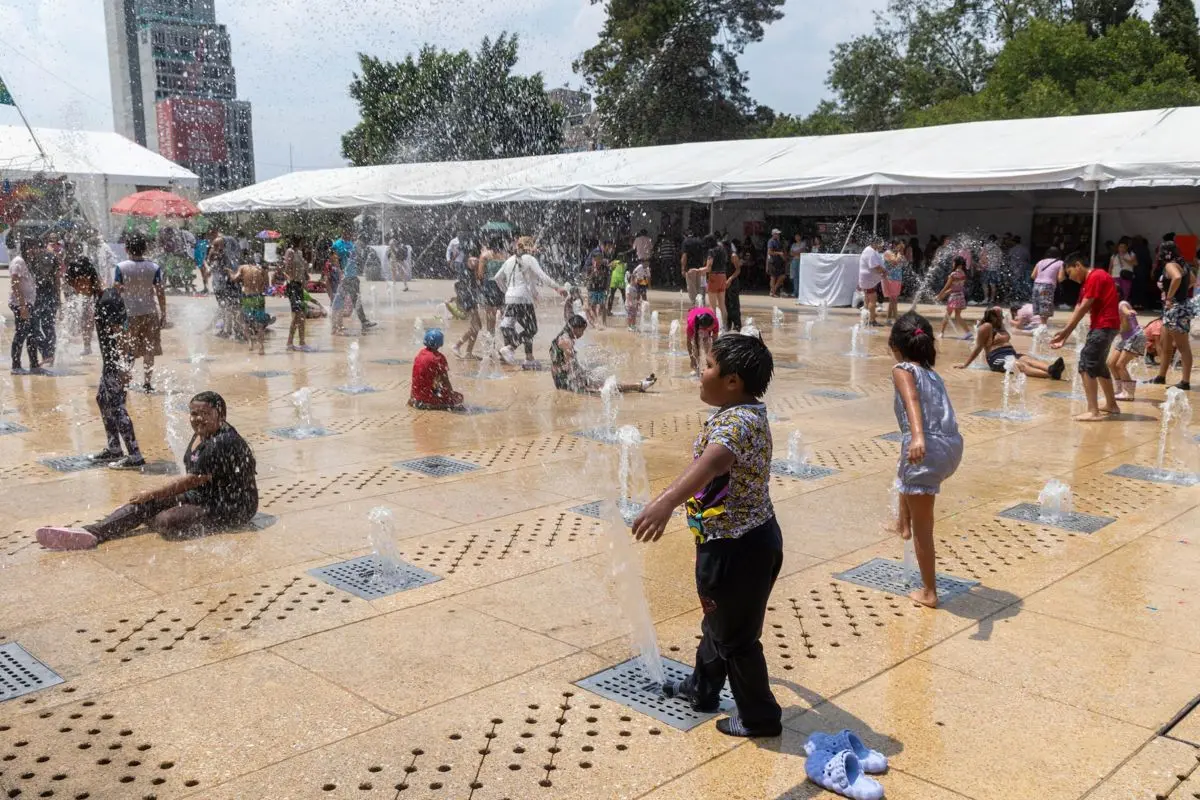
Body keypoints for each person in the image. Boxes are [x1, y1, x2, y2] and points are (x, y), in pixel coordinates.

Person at [631, 333, 783, 738]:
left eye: (710, 366)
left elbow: (713, 463)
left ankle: (759, 717)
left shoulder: (737, 422)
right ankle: (702, 689)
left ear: (733, 381)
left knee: (736, 638)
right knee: (720, 621)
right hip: (748, 540)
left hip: (736, 550)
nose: (702, 372)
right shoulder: (746, 411)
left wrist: (665, 502)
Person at [35, 392, 258, 550]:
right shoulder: (203, 432)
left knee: (166, 521)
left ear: (221, 414)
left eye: (204, 414)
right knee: (146, 505)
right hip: (206, 495)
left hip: (232, 506)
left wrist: (153, 495)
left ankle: (135, 516)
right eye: (193, 413)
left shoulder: (223, 442)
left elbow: (191, 480)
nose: (197, 419)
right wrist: (152, 499)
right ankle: (91, 532)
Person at [888, 312, 963, 608]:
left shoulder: (902, 370)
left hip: (927, 444)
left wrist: (918, 436)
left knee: (924, 525)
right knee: (905, 470)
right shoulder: (933, 373)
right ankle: (901, 523)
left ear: (895, 345)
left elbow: (912, 402)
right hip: (952, 445)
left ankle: (929, 592)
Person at [68, 261, 146, 470]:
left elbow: (122, 334)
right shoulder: (103, 296)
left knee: (117, 406)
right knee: (103, 399)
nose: (75, 290)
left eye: (75, 285)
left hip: (117, 361)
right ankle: (114, 449)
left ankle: (135, 455)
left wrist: (123, 367)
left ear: (84, 279)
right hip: (112, 361)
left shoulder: (107, 299)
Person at [1051, 253, 1122, 421]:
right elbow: (1078, 306)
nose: (1071, 278)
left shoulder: (1096, 276)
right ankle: (1112, 405)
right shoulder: (1086, 283)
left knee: (1086, 363)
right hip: (1104, 326)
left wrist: (1066, 332)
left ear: (1078, 265)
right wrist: (1065, 333)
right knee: (1098, 366)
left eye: (1070, 273)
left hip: (1104, 325)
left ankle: (1093, 411)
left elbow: (1085, 307)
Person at [495, 236, 565, 365]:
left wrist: (508, 291)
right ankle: (510, 348)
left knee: (524, 328)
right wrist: (557, 288)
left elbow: (497, 278)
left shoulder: (510, 259)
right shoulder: (530, 259)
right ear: (530, 247)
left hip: (511, 299)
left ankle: (529, 358)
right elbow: (542, 276)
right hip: (523, 300)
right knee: (532, 329)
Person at [550, 315, 656, 394]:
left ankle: (639, 384)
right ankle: (639, 386)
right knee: (604, 388)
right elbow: (570, 365)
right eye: (581, 331)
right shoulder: (567, 342)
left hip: (563, 378)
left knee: (602, 382)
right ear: (575, 328)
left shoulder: (563, 337)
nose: (582, 334)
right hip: (565, 382)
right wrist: (581, 382)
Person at [115, 234, 167, 392]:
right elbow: (160, 291)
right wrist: (164, 312)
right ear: (145, 249)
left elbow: (116, 289)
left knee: (126, 348)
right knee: (149, 348)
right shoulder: (154, 267)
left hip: (128, 313)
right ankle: (147, 382)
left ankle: (125, 381)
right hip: (149, 311)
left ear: (126, 249)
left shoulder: (121, 267)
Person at [958, 307, 1064, 379]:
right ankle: (1050, 375)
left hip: (1010, 353)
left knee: (1029, 360)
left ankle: (1051, 368)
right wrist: (966, 364)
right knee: (1019, 365)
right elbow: (979, 347)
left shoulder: (1000, 326)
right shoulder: (986, 327)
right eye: (1001, 315)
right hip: (996, 357)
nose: (1003, 317)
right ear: (993, 317)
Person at [1149, 242, 1195, 391]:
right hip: (1176, 309)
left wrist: (1170, 297)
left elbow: (1176, 278)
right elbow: (1192, 281)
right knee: (1165, 345)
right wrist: (1179, 293)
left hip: (1175, 309)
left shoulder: (1170, 265)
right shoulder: (1184, 265)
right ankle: (1161, 376)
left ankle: (1185, 381)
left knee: (1183, 347)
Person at [25, 235, 60, 368]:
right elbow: (57, 279)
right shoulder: (53, 257)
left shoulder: (32, 258)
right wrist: (58, 298)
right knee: (49, 326)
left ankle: (46, 353)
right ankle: (49, 354)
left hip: (37, 296)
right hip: (50, 294)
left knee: (34, 325)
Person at [332, 228, 376, 333]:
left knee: (356, 300)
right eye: (348, 233)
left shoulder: (352, 244)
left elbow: (355, 259)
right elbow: (333, 258)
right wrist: (339, 271)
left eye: (350, 233)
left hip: (353, 277)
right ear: (343, 233)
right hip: (345, 277)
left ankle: (364, 322)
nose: (350, 235)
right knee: (339, 301)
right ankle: (336, 325)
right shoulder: (337, 244)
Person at [409, 329, 465, 410]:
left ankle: (417, 401)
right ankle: (430, 405)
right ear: (440, 343)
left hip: (415, 395)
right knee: (459, 398)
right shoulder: (438, 358)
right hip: (426, 397)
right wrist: (451, 396)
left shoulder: (420, 353)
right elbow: (445, 381)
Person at [9, 239, 40, 374]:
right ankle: (16, 366)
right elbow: (14, 283)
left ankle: (34, 365)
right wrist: (22, 306)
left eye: (36, 248)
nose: (34, 251)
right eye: (31, 248)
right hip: (20, 304)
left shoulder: (28, 261)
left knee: (33, 333)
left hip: (28, 303)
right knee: (21, 334)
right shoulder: (18, 261)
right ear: (25, 248)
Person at [228, 259, 269, 356]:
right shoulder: (262, 269)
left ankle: (250, 343)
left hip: (248, 298)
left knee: (245, 322)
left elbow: (234, 278)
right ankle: (261, 347)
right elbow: (267, 285)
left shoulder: (243, 267)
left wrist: (229, 272)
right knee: (260, 325)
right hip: (259, 298)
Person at [1109, 300, 1146, 400]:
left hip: (1135, 337)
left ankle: (1129, 394)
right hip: (1125, 338)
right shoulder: (1110, 308)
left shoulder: (1122, 304)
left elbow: (1125, 310)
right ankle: (1120, 390)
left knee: (1120, 365)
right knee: (1111, 363)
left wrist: (1129, 312)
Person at [207, 230, 241, 339]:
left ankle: (229, 331)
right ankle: (234, 330)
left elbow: (211, 258)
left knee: (227, 306)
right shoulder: (232, 242)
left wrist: (211, 258)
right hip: (230, 279)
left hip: (225, 281)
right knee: (232, 305)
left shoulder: (220, 242)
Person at [452, 252, 485, 360]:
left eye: (476, 260)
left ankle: (468, 352)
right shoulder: (467, 268)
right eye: (472, 260)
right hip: (468, 300)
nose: (475, 262)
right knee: (476, 326)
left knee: (477, 326)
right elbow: (473, 262)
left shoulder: (471, 270)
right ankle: (457, 345)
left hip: (470, 299)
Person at [692, 235, 729, 328]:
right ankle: (724, 326)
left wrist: (698, 270)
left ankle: (714, 326)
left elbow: (708, 268)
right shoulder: (722, 250)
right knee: (722, 304)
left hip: (714, 277)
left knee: (712, 306)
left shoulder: (711, 251)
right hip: (723, 276)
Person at [283, 238, 311, 352]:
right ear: (298, 242)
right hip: (293, 285)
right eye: (302, 242)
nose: (304, 244)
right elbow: (286, 269)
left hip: (300, 286)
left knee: (302, 315)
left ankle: (302, 342)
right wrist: (290, 279)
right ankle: (289, 342)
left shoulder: (299, 253)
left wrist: (305, 275)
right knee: (296, 315)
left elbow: (303, 269)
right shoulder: (290, 252)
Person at [478, 236, 508, 335]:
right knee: (504, 313)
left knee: (491, 315)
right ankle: (506, 339)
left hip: (490, 285)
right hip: (503, 286)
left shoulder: (485, 256)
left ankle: (491, 339)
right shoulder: (506, 256)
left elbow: (480, 274)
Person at [936, 256, 969, 337]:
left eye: (953, 262)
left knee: (947, 315)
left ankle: (942, 333)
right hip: (960, 296)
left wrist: (940, 295)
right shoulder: (963, 274)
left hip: (953, 297)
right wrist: (944, 294)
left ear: (957, 264)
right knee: (958, 316)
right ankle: (968, 332)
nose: (952, 264)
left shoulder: (953, 274)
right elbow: (956, 288)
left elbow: (947, 287)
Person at [1031, 247, 1065, 323]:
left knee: (1037, 305)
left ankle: (1038, 324)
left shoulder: (1040, 262)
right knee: (1045, 305)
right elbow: (1060, 278)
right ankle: (1043, 326)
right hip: (1047, 286)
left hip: (1036, 285)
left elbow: (1033, 276)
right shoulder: (1060, 262)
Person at [858, 239, 886, 326]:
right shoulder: (870, 251)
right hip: (868, 280)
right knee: (872, 300)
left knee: (867, 299)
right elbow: (875, 266)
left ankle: (865, 319)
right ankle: (872, 321)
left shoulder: (869, 250)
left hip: (867, 279)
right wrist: (884, 272)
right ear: (875, 244)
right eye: (880, 245)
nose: (881, 247)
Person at [687, 308, 720, 375]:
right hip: (694, 316)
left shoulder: (715, 322)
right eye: (712, 326)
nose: (714, 326)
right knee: (695, 345)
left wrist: (714, 359)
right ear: (705, 328)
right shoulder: (691, 324)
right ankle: (697, 368)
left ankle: (707, 366)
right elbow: (688, 343)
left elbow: (715, 342)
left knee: (707, 343)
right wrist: (692, 359)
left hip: (705, 315)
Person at [882, 239, 906, 321]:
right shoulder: (888, 253)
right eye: (900, 245)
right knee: (894, 299)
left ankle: (888, 318)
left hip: (897, 278)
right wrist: (900, 252)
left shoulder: (897, 253)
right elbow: (895, 262)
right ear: (895, 245)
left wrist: (901, 252)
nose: (901, 247)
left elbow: (903, 263)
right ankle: (896, 318)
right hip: (891, 278)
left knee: (892, 299)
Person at [586, 249, 610, 329]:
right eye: (596, 259)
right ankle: (596, 322)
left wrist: (607, 289)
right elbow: (587, 279)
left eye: (599, 259)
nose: (598, 261)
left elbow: (607, 279)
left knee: (603, 306)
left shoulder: (605, 268)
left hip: (602, 289)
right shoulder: (590, 268)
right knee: (592, 306)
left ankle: (604, 323)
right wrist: (594, 271)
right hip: (592, 290)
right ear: (593, 260)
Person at [681, 230, 706, 304]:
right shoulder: (701, 241)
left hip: (690, 268)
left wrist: (683, 268)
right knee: (700, 288)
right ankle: (701, 306)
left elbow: (684, 256)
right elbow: (705, 256)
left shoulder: (686, 242)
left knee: (692, 289)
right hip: (700, 269)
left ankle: (694, 306)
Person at [981, 234, 1004, 306]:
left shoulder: (986, 247)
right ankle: (992, 299)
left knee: (985, 284)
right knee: (993, 285)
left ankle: (986, 298)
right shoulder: (998, 249)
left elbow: (982, 257)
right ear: (995, 240)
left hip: (987, 268)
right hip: (995, 269)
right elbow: (1000, 260)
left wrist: (982, 265)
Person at [766, 228, 786, 298]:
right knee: (773, 277)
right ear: (773, 234)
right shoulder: (771, 241)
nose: (778, 235)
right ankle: (773, 292)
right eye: (776, 234)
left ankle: (773, 290)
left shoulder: (778, 241)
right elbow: (769, 252)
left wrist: (783, 257)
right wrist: (779, 253)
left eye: (778, 234)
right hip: (772, 262)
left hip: (779, 262)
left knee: (782, 276)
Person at [788, 233, 806, 300]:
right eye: (796, 236)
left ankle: (798, 292)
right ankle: (795, 291)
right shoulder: (793, 244)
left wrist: (795, 253)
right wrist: (796, 253)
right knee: (794, 276)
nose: (797, 237)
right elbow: (791, 253)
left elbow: (801, 251)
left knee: (799, 276)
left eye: (798, 236)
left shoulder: (803, 243)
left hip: (800, 261)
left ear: (800, 237)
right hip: (794, 261)